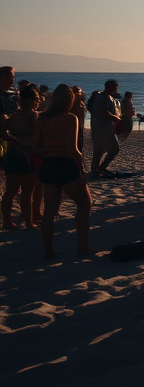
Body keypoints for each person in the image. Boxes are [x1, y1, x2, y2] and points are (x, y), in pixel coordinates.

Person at [33, 84, 95, 258]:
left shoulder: (42, 118)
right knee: (84, 204)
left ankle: (48, 251)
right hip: (66, 164)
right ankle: (83, 246)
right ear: (69, 100)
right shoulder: (70, 118)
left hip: (49, 164)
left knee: (49, 212)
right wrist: (80, 165)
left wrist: (50, 150)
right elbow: (72, 149)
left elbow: (35, 146)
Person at [1, 84, 41, 229]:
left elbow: (3, 133)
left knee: (10, 191)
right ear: (35, 100)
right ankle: (29, 222)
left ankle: (6, 222)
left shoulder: (14, 116)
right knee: (27, 192)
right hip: (28, 155)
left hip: (15, 153)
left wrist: (12, 139)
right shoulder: (36, 116)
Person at [90, 79, 122, 178]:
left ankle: (95, 171)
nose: (117, 89)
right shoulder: (104, 97)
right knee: (114, 149)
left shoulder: (105, 97)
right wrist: (116, 118)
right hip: (103, 127)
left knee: (99, 150)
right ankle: (102, 168)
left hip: (98, 126)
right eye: (115, 87)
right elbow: (104, 112)